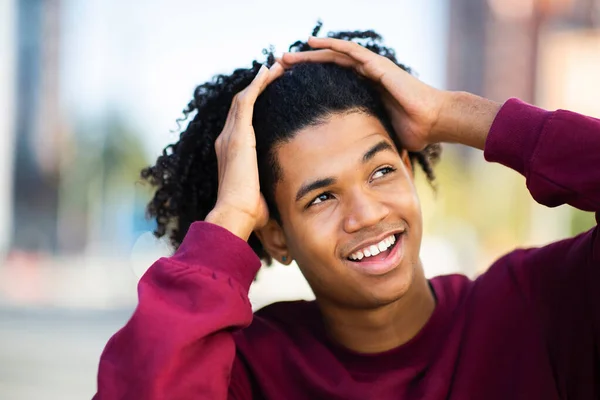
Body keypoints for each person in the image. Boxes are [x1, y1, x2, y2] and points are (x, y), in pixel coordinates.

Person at [94, 27, 599, 399]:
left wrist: (457, 115)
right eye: (321, 198)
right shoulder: (246, 370)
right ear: (274, 237)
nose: (365, 213)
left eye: (380, 171)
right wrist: (229, 218)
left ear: (407, 166)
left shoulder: (538, 304)